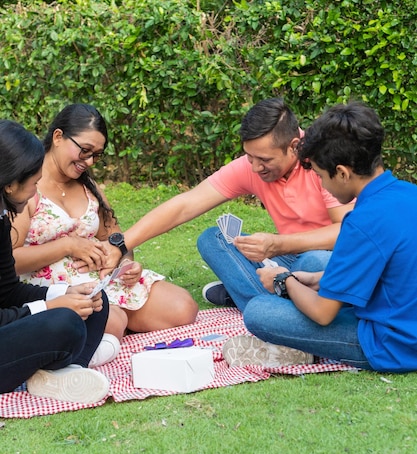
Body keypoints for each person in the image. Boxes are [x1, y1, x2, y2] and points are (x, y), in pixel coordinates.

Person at [96, 98, 354, 312]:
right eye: (249, 156)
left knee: (315, 264)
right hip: (285, 255)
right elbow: (186, 204)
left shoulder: (324, 159)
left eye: (263, 159)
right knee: (212, 240)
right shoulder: (253, 166)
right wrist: (121, 243)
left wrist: (279, 244)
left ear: (294, 147)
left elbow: (349, 232)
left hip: (329, 256)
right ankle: (275, 302)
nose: (254, 167)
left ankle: (259, 301)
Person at [223, 101, 417, 373]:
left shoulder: (361, 222)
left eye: (321, 176)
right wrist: (314, 280)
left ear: (342, 172)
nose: (322, 185)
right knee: (314, 271)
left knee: (260, 312)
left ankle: (299, 349)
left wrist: (284, 279)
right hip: (404, 321)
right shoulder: (409, 194)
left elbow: (323, 313)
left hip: (393, 345)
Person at [12, 104, 198, 367]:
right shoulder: (27, 187)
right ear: (57, 137)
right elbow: (10, 261)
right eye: (84, 150)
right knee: (111, 319)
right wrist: (67, 245)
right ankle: (107, 329)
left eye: (96, 156)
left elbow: (116, 238)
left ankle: (115, 326)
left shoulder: (88, 186)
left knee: (183, 307)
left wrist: (125, 263)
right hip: (58, 286)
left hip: (103, 279)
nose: (88, 162)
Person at [0, 119, 110, 403]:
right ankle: (57, 372)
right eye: (35, 184)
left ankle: (67, 372)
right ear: (10, 184)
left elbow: (7, 292)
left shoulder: (2, 219)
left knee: (93, 299)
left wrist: (64, 293)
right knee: (64, 322)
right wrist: (47, 307)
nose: (38, 192)